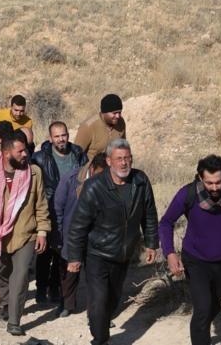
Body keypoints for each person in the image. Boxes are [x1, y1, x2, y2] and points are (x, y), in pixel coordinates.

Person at [66, 139, 159, 345]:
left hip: (124, 254)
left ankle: (98, 324)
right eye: (119, 159)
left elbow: (149, 214)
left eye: (127, 158)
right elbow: (78, 225)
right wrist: (74, 257)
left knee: (113, 299)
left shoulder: (140, 181)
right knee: (99, 300)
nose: (124, 163)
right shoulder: (94, 187)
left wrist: (151, 243)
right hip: (97, 253)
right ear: (109, 161)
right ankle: (100, 339)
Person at [0, 131, 50, 336]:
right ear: (7, 153)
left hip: (26, 233)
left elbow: (41, 204)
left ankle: (14, 320)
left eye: (26, 149)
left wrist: (42, 230)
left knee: (21, 275)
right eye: (20, 151)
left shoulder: (34, 173)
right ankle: (6, 306)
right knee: (3, 273)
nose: (25, 154)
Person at [160, 155, 221, 345]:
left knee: (214, 305)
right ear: (200, 178)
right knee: (203, 309)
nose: (214, 188)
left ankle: (200, 327)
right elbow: (166, 222)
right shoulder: (188, 194)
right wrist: (170, 253)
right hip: (196, 259)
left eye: (218, 182)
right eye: (209, 183)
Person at [30, 121, 87, 305]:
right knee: (45, 252)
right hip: (48, 209)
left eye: (64, 135)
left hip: (71, 210)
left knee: (61, 251)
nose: (61, 139)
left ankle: (55, 288)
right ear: (50, 138)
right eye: (57, 136)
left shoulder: (78, 154)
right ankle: (41, 288)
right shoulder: (39, 158)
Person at [54, 152, 108, 318]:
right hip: (72, 232)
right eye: (99, 174)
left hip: (96, 234)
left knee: (96, 275)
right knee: (69, 272)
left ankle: (97, 313)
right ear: (92, 169)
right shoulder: (70, 179)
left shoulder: (110, 181)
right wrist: (59, 236)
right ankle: (67, 304)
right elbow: (58, 208)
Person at [74, 94, 127, 161]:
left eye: (119, 112)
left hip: (114, 167)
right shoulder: (88, 126)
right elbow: (76, 155)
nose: (118, 116)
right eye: (114, 113)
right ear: (104, 112)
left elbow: (123, 147)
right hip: (92, 168)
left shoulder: (120, 123)